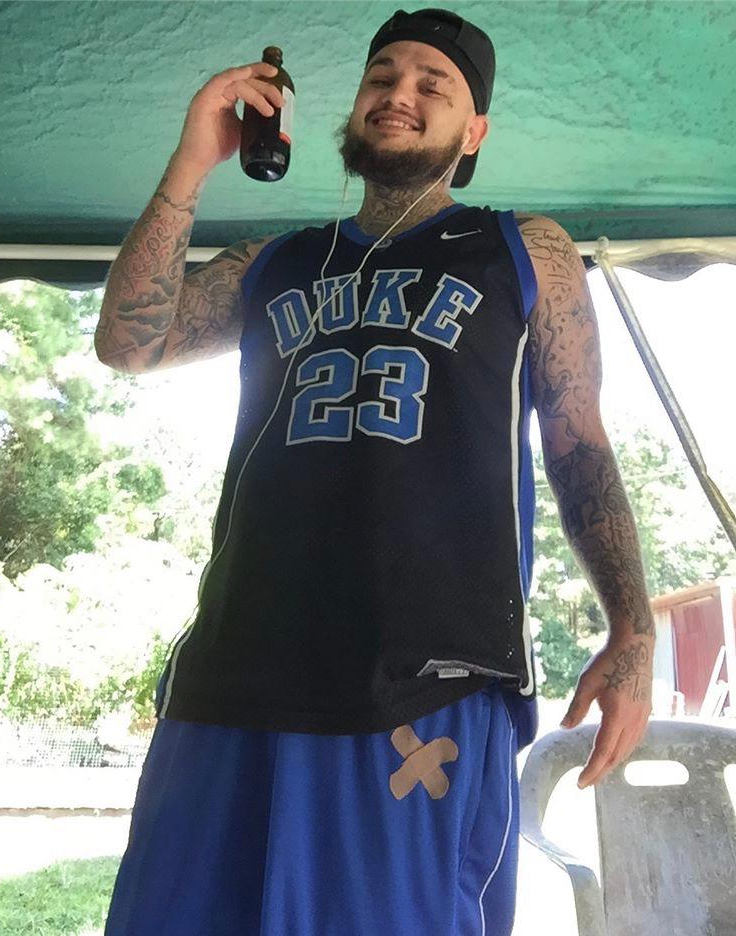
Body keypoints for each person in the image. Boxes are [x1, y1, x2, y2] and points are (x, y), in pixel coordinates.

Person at [96, 8, 655, 935]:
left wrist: (632, 629)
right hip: (233, 674)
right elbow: (129, 342)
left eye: (434, 85)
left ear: (473, 133)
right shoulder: (275, 261)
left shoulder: (525, 250)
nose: (399, 94)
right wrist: (192, 163)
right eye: (382, 76)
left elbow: (578, 441)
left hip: (423, 682)